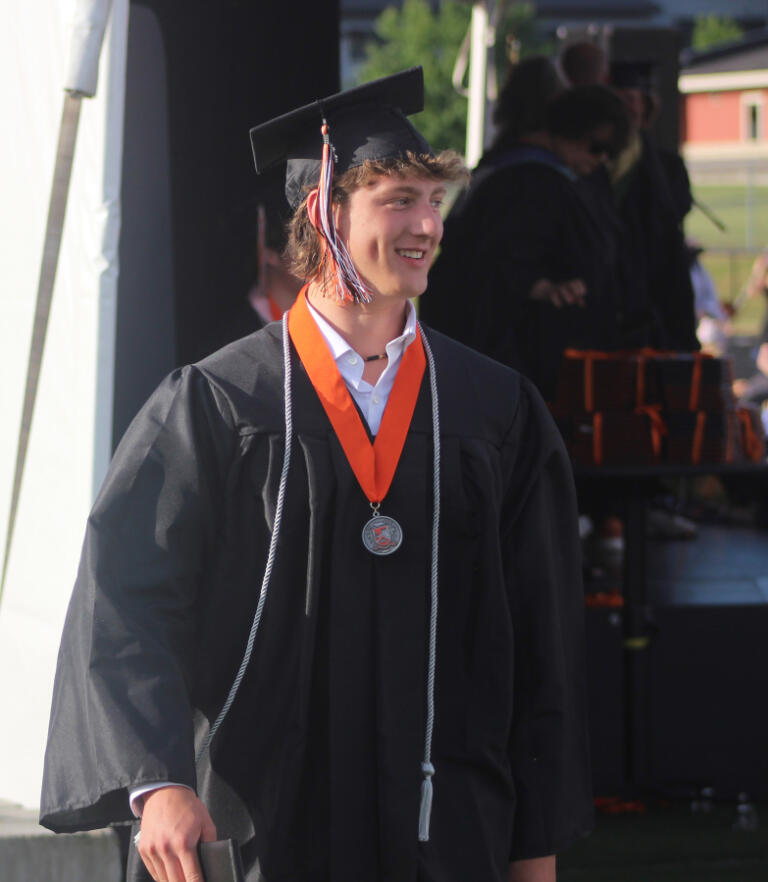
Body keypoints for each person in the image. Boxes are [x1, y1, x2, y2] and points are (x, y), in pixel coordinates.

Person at [40, 68, 593, 882]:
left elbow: (542, 645)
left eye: (433, 201)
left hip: (442, 829)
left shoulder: (491, 411)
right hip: (261, 824)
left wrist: (534, 850)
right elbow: (126, 602)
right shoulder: (219, 404)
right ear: (323, 213)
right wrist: (157, 782)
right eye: (398, 200)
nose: (427, 225)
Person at [422, 78, 630, 400]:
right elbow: (495, 260)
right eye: (596, 147)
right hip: (510, 355)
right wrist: (538, 285)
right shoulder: (529, 180)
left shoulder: (503, 168)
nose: (602, 159)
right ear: (568, 130)